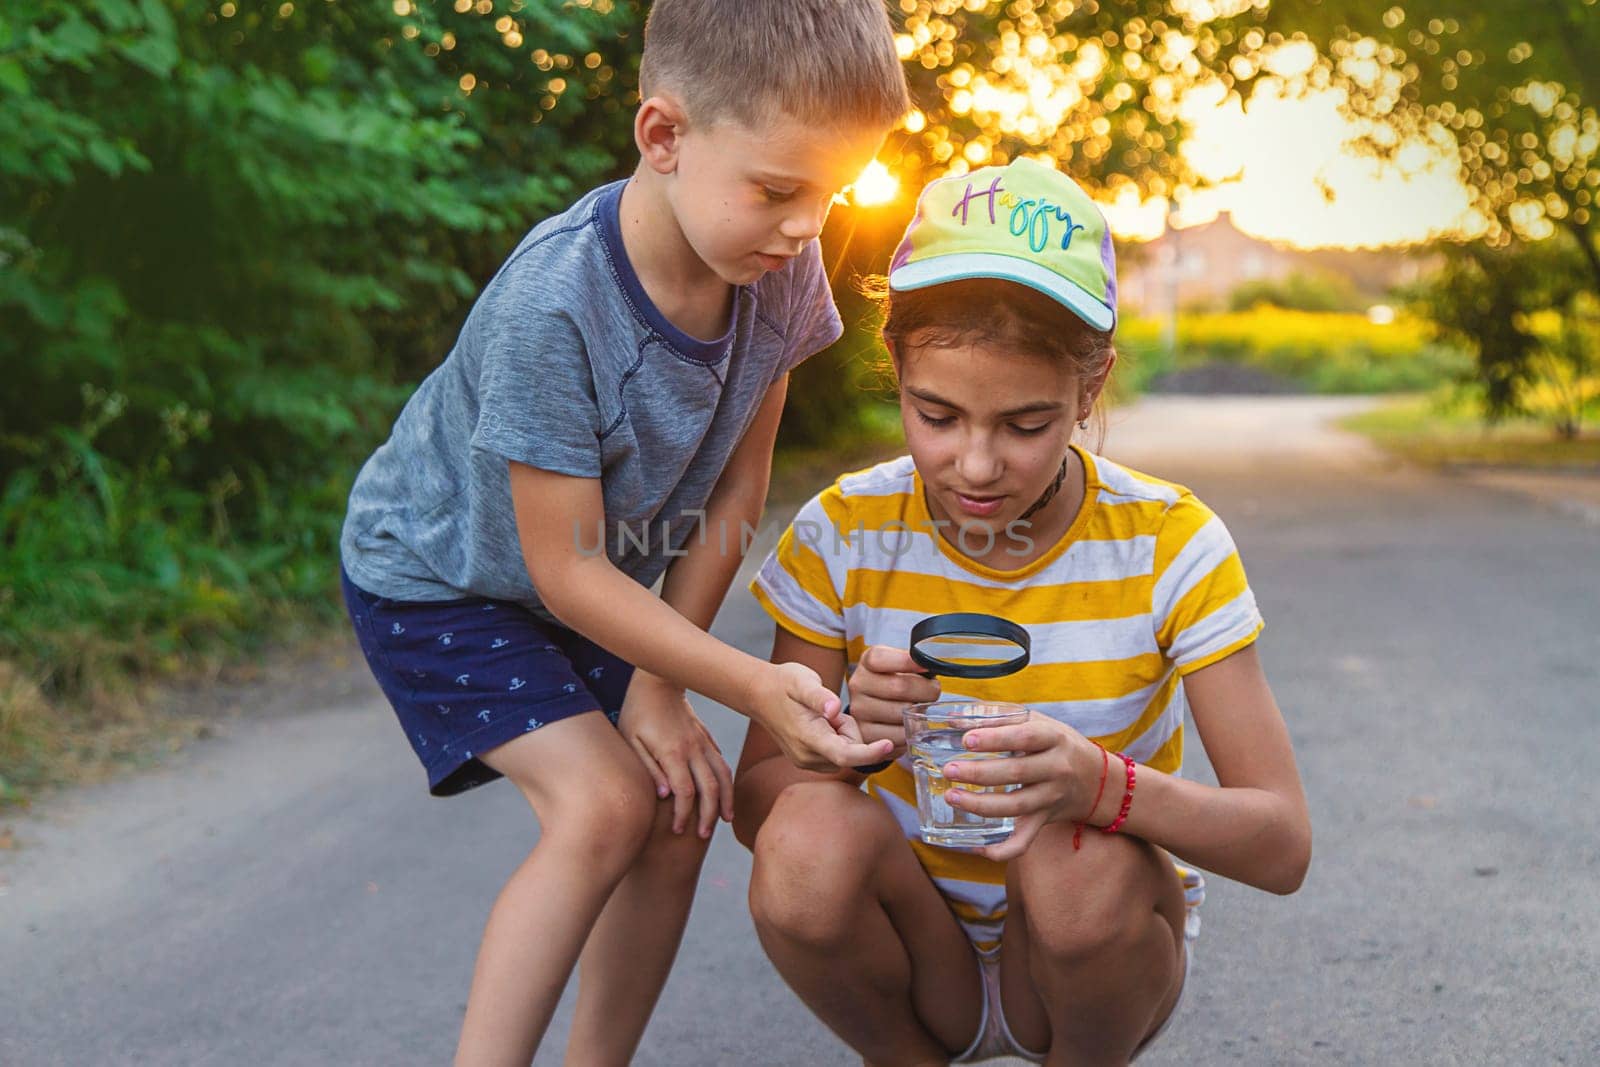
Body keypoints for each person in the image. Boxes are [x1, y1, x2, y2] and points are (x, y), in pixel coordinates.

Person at [337, 3, 909, 1062]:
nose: (804, 227)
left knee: (679, 804)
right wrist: (742, 682)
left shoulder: (777, 272)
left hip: (593, 578)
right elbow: (564, 570)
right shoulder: (553, 308)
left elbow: (738, 489)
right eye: (779, 191)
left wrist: (662, 683)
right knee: (604, 805)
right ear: (664, 137)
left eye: (831, 194)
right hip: (441, 576)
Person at [733, 157, 1313, 1066]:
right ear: (895, 365)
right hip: (922, 956)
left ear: (1091, 390)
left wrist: (1100, 786)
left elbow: (1281, 844)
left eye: (1025, 424)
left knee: (1077, 857)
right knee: (804, 839)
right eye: (936, 414)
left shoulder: (1171, 543)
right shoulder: (842, 531)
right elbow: (756, 802)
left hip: (1093, 958)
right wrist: (845, 734)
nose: (973, 465)